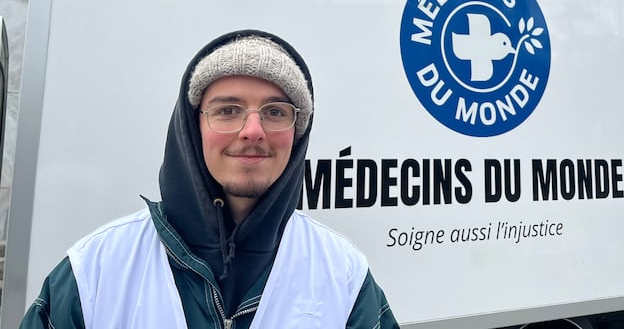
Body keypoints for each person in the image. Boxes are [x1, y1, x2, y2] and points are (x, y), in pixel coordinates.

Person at [21, 29, 399, 328]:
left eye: (275, 111)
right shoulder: (96, 271)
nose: (253, 130)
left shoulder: (342, 274)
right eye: (228, 109)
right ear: (191, 127)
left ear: (297, 133)